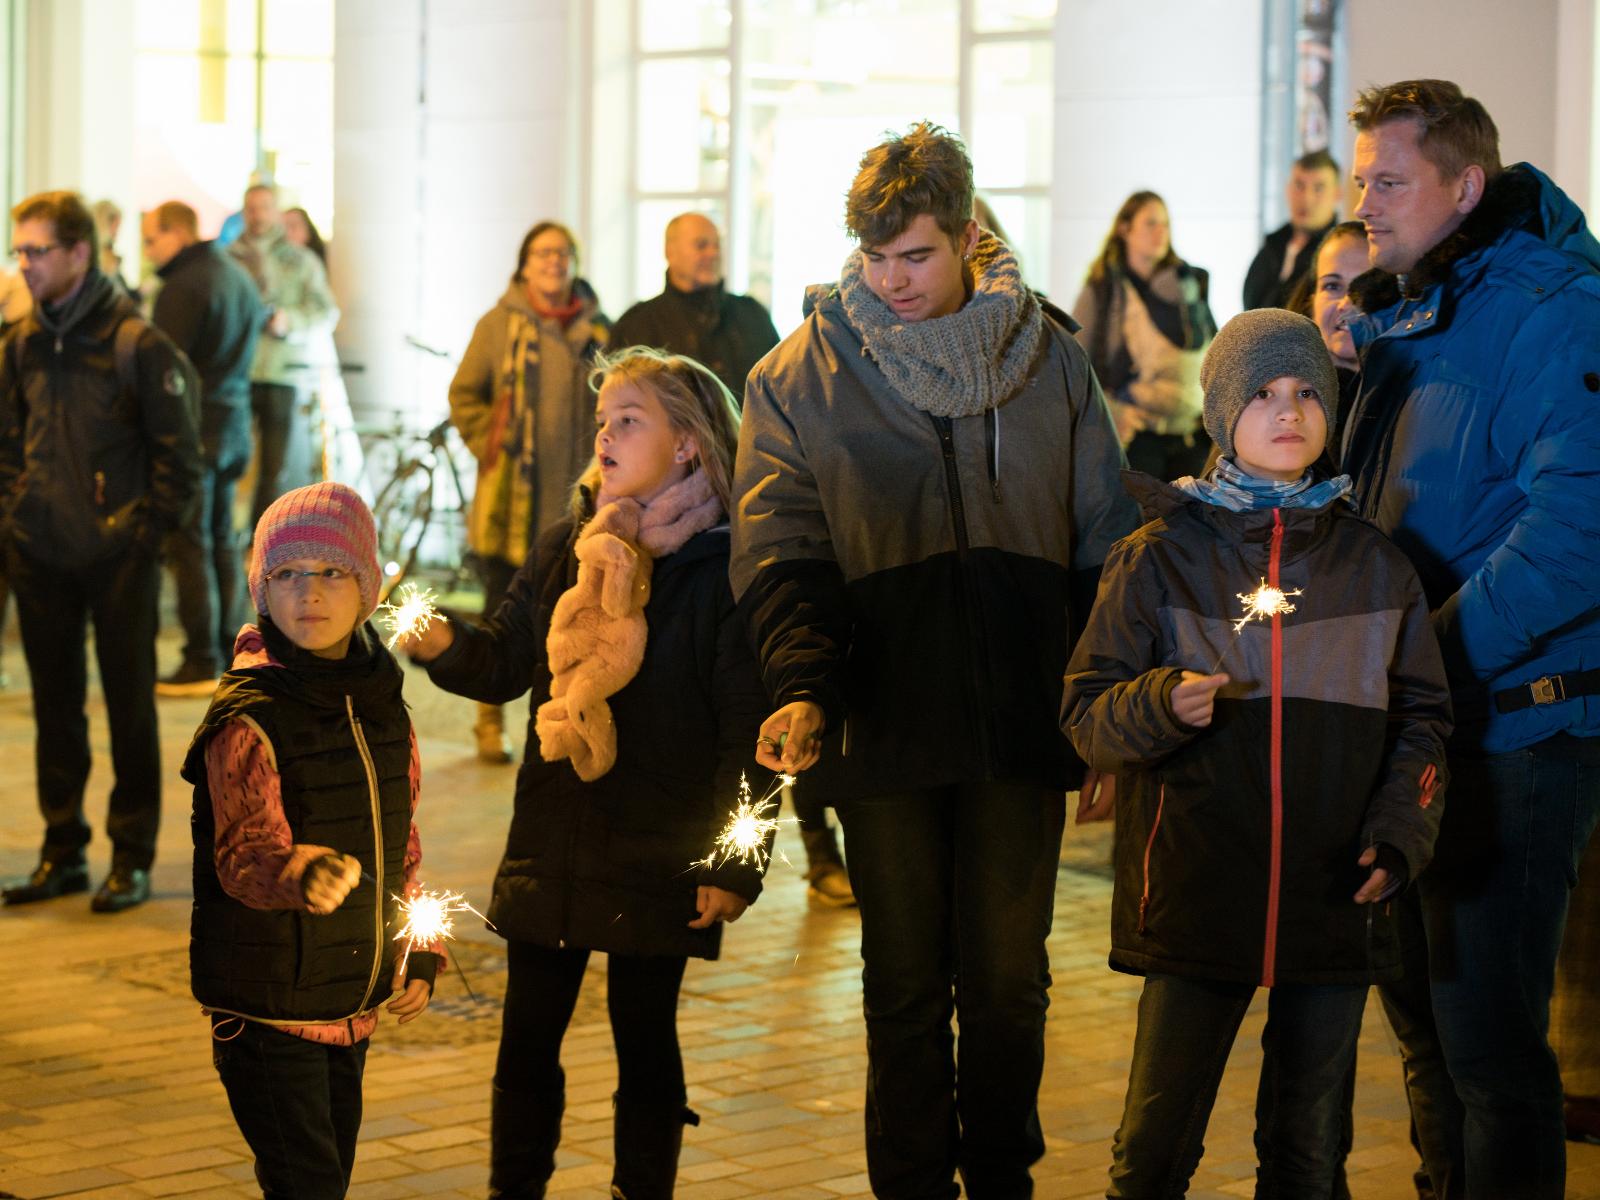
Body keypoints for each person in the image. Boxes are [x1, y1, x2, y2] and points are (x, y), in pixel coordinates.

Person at [730, 121, 1135, 1199]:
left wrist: (1100, 714)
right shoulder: (800, 375)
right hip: (881, 715)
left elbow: (1107, 544)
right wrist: (805, 683)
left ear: (966, 239)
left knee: (1007, 980)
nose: (893, 281)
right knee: (904, 977)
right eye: (873, 258)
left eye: (914, 256)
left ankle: (1003, 1177)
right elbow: (780, 548)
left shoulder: (1047, 359)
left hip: (1021, 714)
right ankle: (909, 1184)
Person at [1062, 308, 1452, 1194]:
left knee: (1309, 1153)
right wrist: (1161, 702)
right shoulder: (1157, 559)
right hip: (1199, 891)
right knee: (1154, 1149)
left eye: (1308, 391)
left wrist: (1399, 833)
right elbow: (1086, 713)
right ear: (1220, 414)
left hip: (1332, 894)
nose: (1289, 410)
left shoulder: (1374, 566)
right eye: (1264, 393)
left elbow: (1424, 719)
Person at [403, 346, 771, 1199]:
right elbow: (504, 660)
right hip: (557, 835)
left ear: (687, 444)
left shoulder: (721, 569)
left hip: (661, 845)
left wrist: (734, 863)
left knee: (646, 1036)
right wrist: (445, 642)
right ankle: (514, 1189)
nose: (604, 437)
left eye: (628, 421)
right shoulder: (570, 544)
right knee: (528, 1036)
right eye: (602, 422)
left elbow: (748, 730)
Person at [1337, 78, 1600, 1199]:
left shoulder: (1557, 310)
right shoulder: (1415, 308)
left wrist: (1417, 659)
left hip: (1517, 729)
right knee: (1430, 1046)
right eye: (1359, 183)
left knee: (1491, 1053)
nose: (1366, 206)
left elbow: (1574, 535)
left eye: (1389, 182)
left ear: (1464, 185)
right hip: (1423, 724)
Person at [182, 481, 439, 1198]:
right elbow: (242, 857)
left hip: (348, 1003)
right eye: (286, 575)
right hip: (267, 1007)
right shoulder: (250, 715)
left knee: (324, 1180)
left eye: (330, 572)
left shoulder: (383, 703)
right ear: (264, 590)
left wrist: (419, 953)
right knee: (309, 1185)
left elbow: (402, 845)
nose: (309, 593)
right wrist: (300, 872)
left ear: (366, 586)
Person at [610, 213, 850, 907]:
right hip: (678, 526)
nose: (710, 251)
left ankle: (818, 850)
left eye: (716, 240)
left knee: (781, 685)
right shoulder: (641, 320)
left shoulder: (747, 316)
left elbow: (782, 404)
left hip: (749, 502)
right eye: (698, 242)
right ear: (669, 251)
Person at [0, 189, 201, 913]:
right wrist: (15, 515)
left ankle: (131, 855)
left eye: (36, 251)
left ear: (79, 253)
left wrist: (140, 538)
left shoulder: (135, 343)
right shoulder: (21, 344)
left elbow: (180, 459)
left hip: (118, 559)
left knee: (128, 709)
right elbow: (6, 444)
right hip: (40, 552)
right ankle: (63, 851)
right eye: (19, 250)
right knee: (54, 710)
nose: (24, 264)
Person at [448, 220, 607, 763]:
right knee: (500, 609)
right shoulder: (498, 324)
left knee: (577, 614)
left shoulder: (601, 330)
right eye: (543, 253)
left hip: (582, 494)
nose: (553, 262)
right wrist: (490, 447)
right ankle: (488, 721)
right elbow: (464, 393)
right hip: (512, 501)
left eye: (563, 252)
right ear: (524, 263)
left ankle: (567, 718)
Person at [142, 200, 267, 696]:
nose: (149, 251)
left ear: (176, 232)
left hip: (198, 430)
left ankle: (201, 656)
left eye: (152, 239)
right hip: (234, 421)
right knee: (219, 540)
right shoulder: (234, 275)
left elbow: (164, 373)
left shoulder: (183, 286)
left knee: (191, 542)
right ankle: (224, 646)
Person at [1073, 190, 1217, 481]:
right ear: (1125, 229)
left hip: (1190, 434)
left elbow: (1216, 350)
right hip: (1136, 438)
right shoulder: (1102, 292)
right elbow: (1076, 366)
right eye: (1150, 223)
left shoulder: (1188, 287)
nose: (1160, 232)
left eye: (1165, 224)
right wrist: (1112, 411)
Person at [228, 182, 340, 525]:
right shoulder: (229, 259)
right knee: (233, 461)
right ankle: (232, 535)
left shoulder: (300, 261)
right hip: (238, 374)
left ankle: (259, 541)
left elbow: (327, 312)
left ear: (276, 211)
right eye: (251, 208)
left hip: (282, 371)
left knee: (273, 468)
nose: (258, 215)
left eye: (264, 207)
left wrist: (289, 321)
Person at [608, 212, 781, 408]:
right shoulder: (636, 326)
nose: (713, 253)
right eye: (701, 245)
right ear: (670, 252)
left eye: (717, 245)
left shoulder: (752, 316)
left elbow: (781, 388)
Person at [1284, 219, 1368, 452]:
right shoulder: (1271, 388)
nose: (1347, 303)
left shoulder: (1415, 397)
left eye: (1364, 288)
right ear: (1311, 300)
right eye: (1332, 286)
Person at [1243, 149, 1342, 311]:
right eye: (1299, 185)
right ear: (1288, 189)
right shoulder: (1273, 245)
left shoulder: (1339, 254)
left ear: (1337, 194)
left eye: (1319, 188)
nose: (1306, 199)